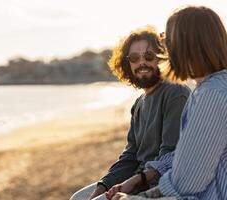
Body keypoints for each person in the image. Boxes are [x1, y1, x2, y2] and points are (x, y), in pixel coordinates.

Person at [112, 5, 227, 200]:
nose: (164, 47)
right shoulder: (221, 86)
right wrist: (144, 176)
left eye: (166, 39)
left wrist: (140, 197)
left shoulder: (211, 96)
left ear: (185, 44)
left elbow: (187, 183)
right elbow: (189, 155)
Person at [69, 26, 190, 200]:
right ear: (128, 63)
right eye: (134, 57)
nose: (142, 63)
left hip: (158, 185)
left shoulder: (175, 93)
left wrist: (132, 186)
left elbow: (169, 155)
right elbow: (130, 156)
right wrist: (103, 185)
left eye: (149, 56)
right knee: (79, 198)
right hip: (135, 178)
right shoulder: (139, 103)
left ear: (162, 58)